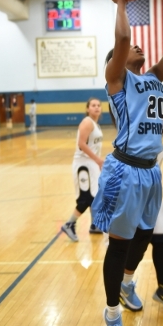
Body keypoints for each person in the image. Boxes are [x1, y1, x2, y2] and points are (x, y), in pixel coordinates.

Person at [91, 0, 163, 326]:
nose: (137, 46)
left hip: (151, 173)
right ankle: (112, 314)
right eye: (131, 47)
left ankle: (128, 282)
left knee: (146, 235)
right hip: (124, 171)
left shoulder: (153, 80)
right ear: (118, 59)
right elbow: (122, 34)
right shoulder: (117, 80)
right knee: (118, 245)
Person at [120, 116, 163, 313]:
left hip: (154, 195)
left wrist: (160, 131)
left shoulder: (153, 136)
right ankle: (124, 285)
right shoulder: (132, 132)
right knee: (139, 243)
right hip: (136, 194)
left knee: (162, 240)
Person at [62, 98, 104, 242]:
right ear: (87, 109)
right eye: (93, 105)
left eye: (99, 105)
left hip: (91, 163)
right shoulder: (87, 122)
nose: (97, 107)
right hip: (83, 164)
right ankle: (69, 224)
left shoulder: (96, 125)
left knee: (96, 194)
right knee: (86, 197)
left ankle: (94, 225)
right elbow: (81, 144)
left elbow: (94, 147)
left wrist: (98, 161)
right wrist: (98, 160)